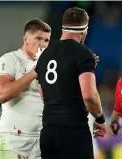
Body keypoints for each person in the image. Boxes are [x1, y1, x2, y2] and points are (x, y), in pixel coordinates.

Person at [35, 7, 106, 159]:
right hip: (74, 132)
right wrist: (99, 119)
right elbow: (89, 96)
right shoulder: (83, 53)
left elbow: (44, 95)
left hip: (48, 133)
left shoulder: (44, 55)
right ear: (84, 30)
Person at [0, 19, 51, 159]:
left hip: (41, 140)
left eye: (46, 40)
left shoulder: (49, 65)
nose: (42, 44)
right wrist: (32, 74)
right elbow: (1, 94)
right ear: (25, 39)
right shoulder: (10, 60)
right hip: (14, 140)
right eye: (38, 38)